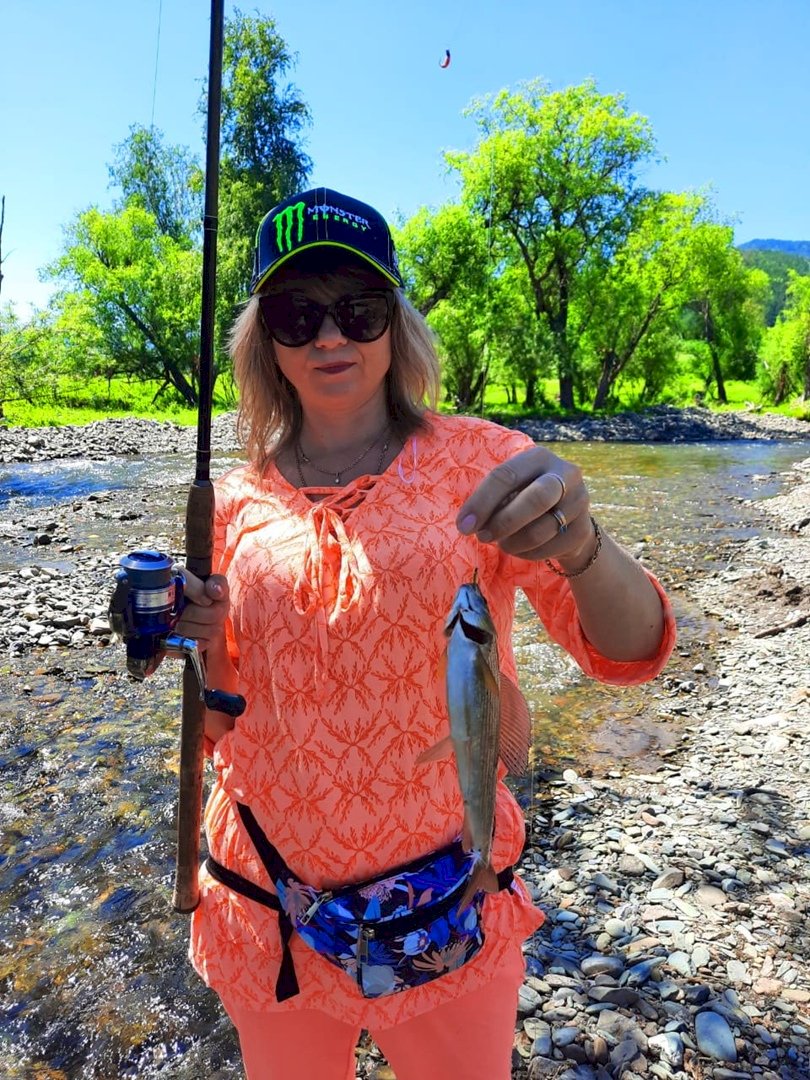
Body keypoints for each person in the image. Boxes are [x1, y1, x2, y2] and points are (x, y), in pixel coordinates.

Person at [175, 185, 676, 1080]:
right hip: (269, 912)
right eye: (297, 314)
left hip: (453, 904)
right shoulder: (232, 504)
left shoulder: (487, 464)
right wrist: (188, 640)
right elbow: (217, 721)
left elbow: (631, 653)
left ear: (397, 322)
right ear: (264, 340)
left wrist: (582, 544)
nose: (331, 336)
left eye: (360, 309)